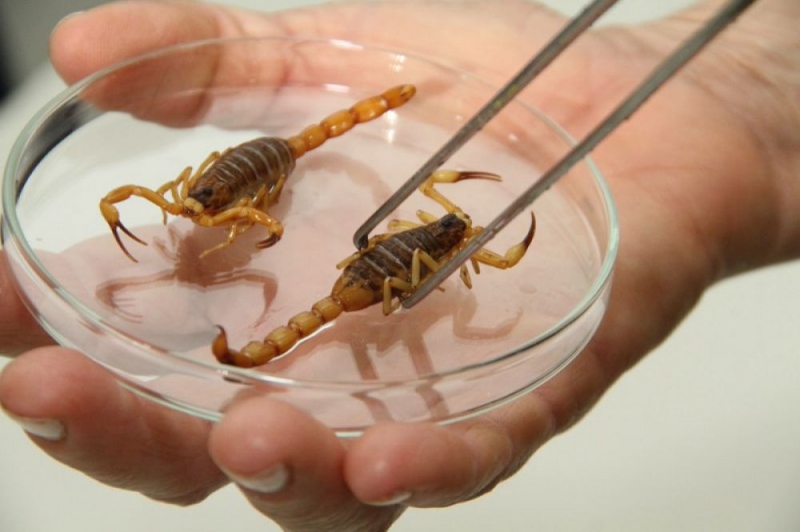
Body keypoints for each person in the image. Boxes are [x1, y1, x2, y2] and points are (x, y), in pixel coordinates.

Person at [1, 0, 798, 529]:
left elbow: (431, 277)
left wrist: (756, 88)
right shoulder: (440, 237)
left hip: (361, 262)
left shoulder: (430, 234)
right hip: (340, 244)